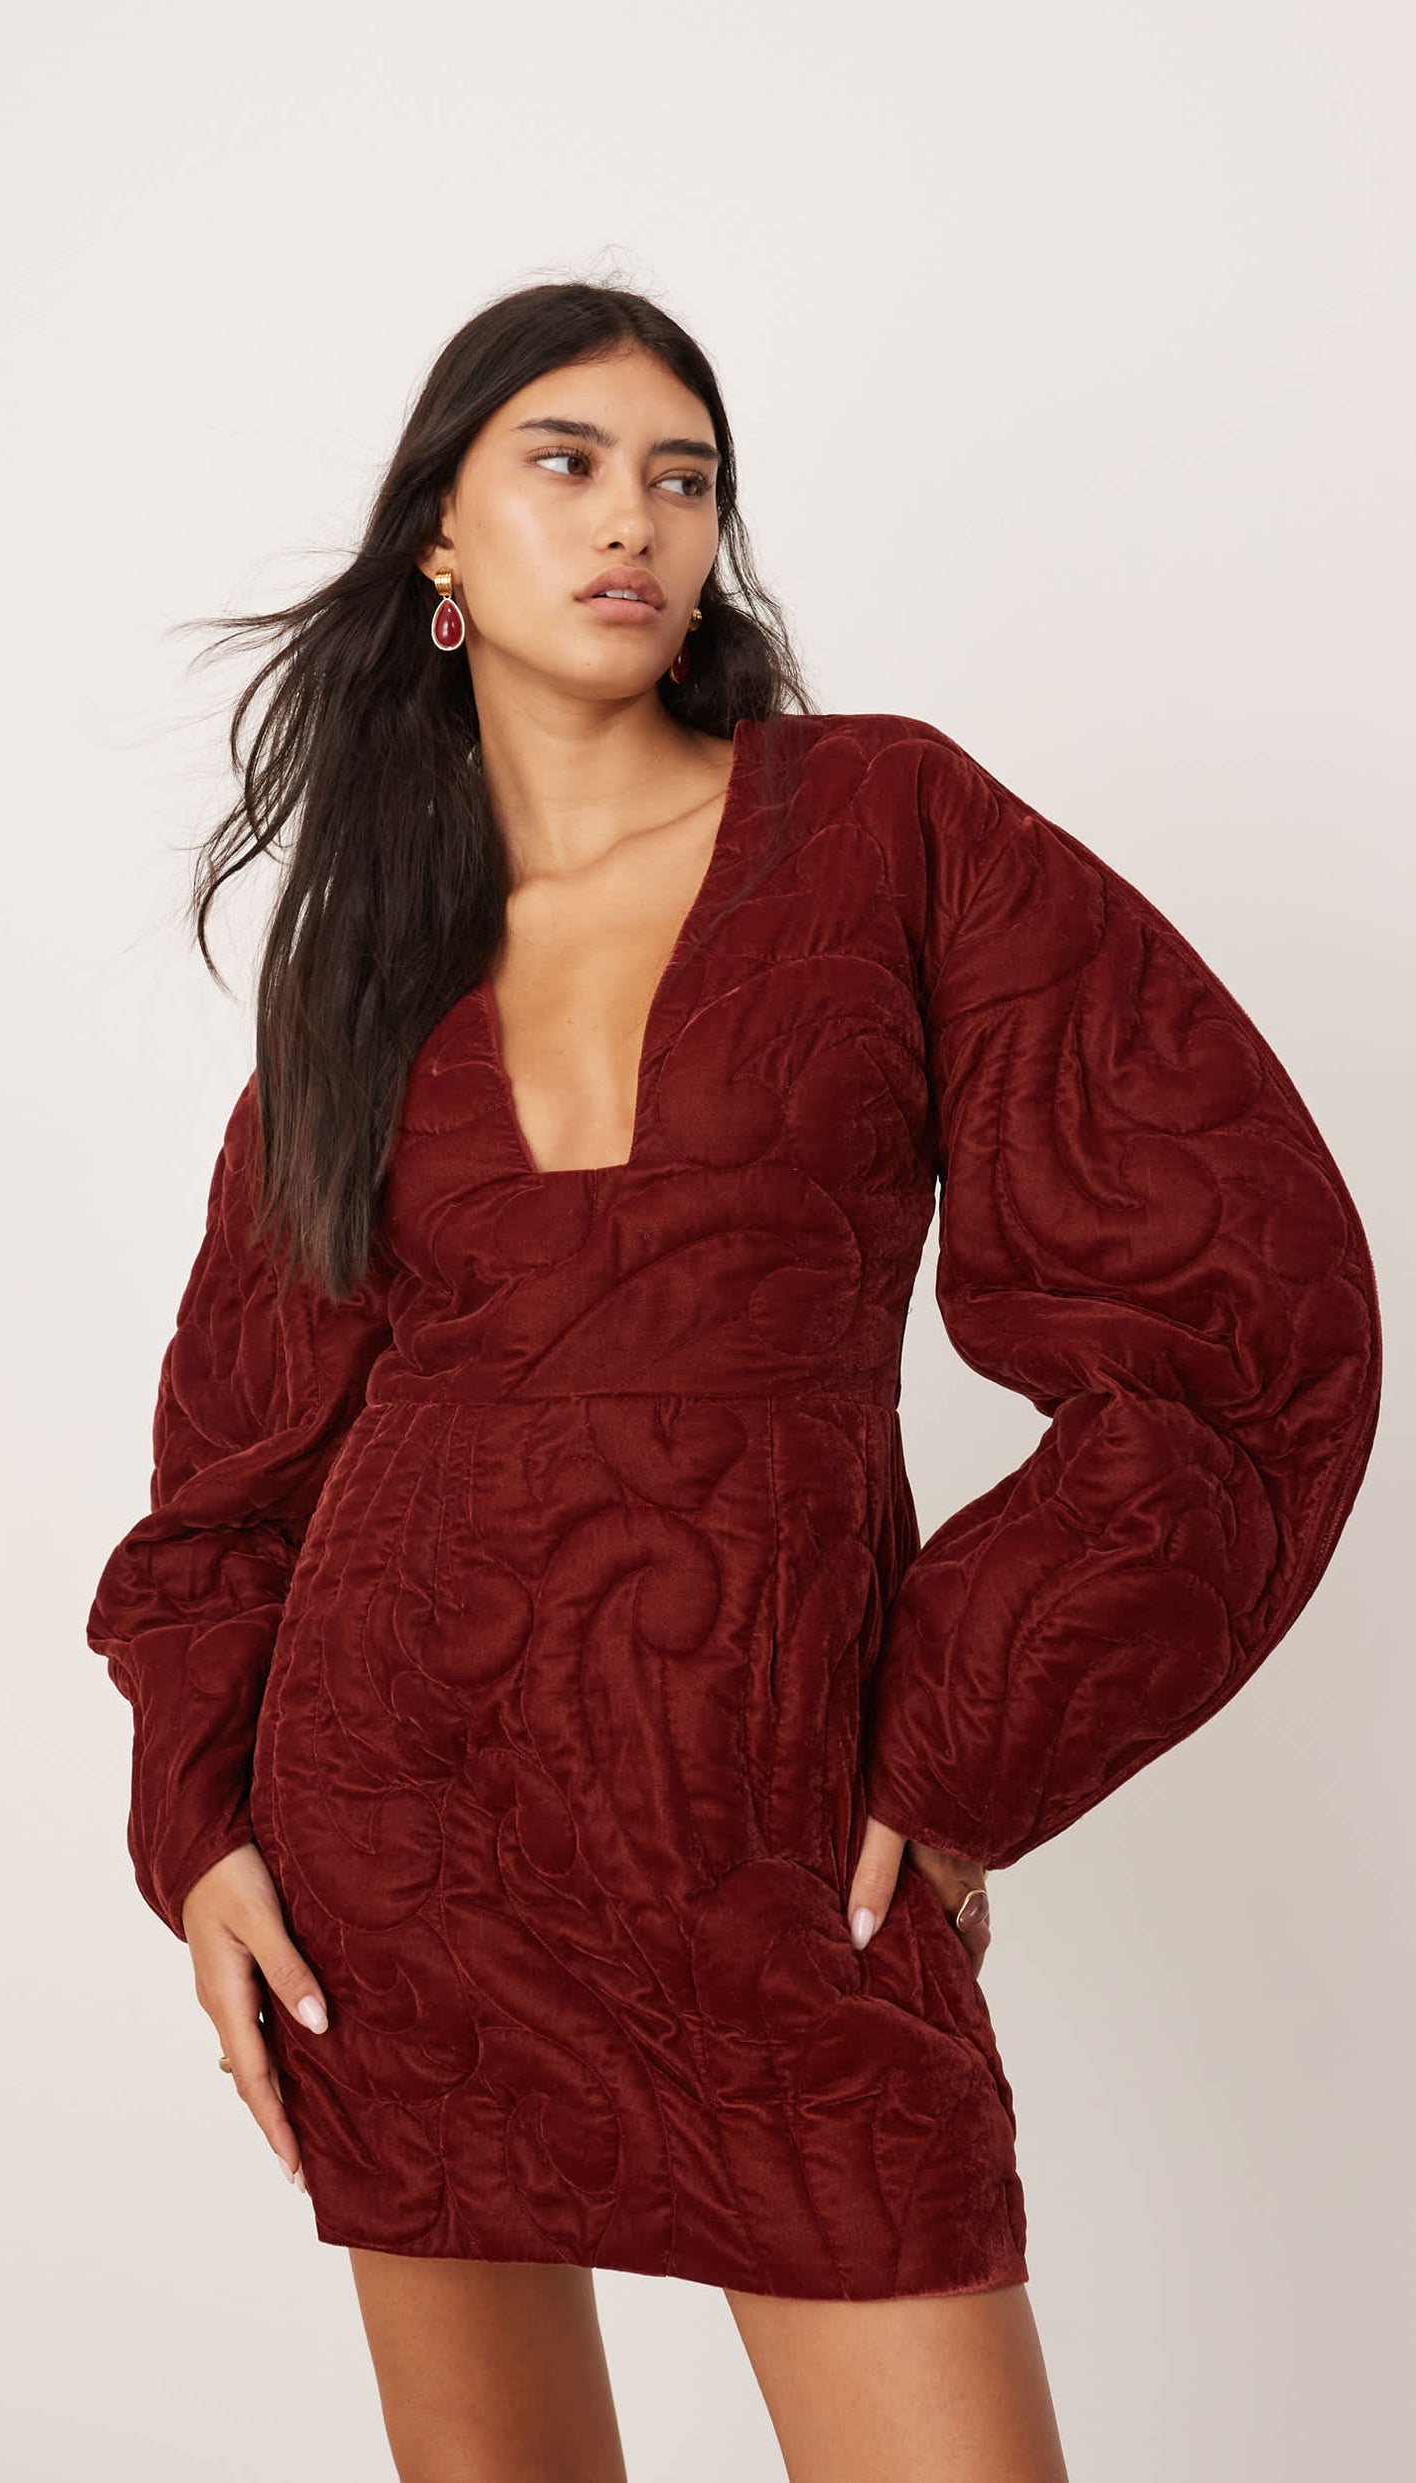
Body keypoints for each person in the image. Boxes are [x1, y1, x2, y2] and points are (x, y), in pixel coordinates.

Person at [85, 280, 1382, 2483]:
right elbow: (239, 1455)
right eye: (566, 463)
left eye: (682, 478)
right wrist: (199, 1823)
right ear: (439, 537)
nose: (635, 519)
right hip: (400, 1851)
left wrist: (963, 1738)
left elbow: (1242, 1324)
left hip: (777, 1840)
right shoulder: (371, 957)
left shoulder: (882, 825)